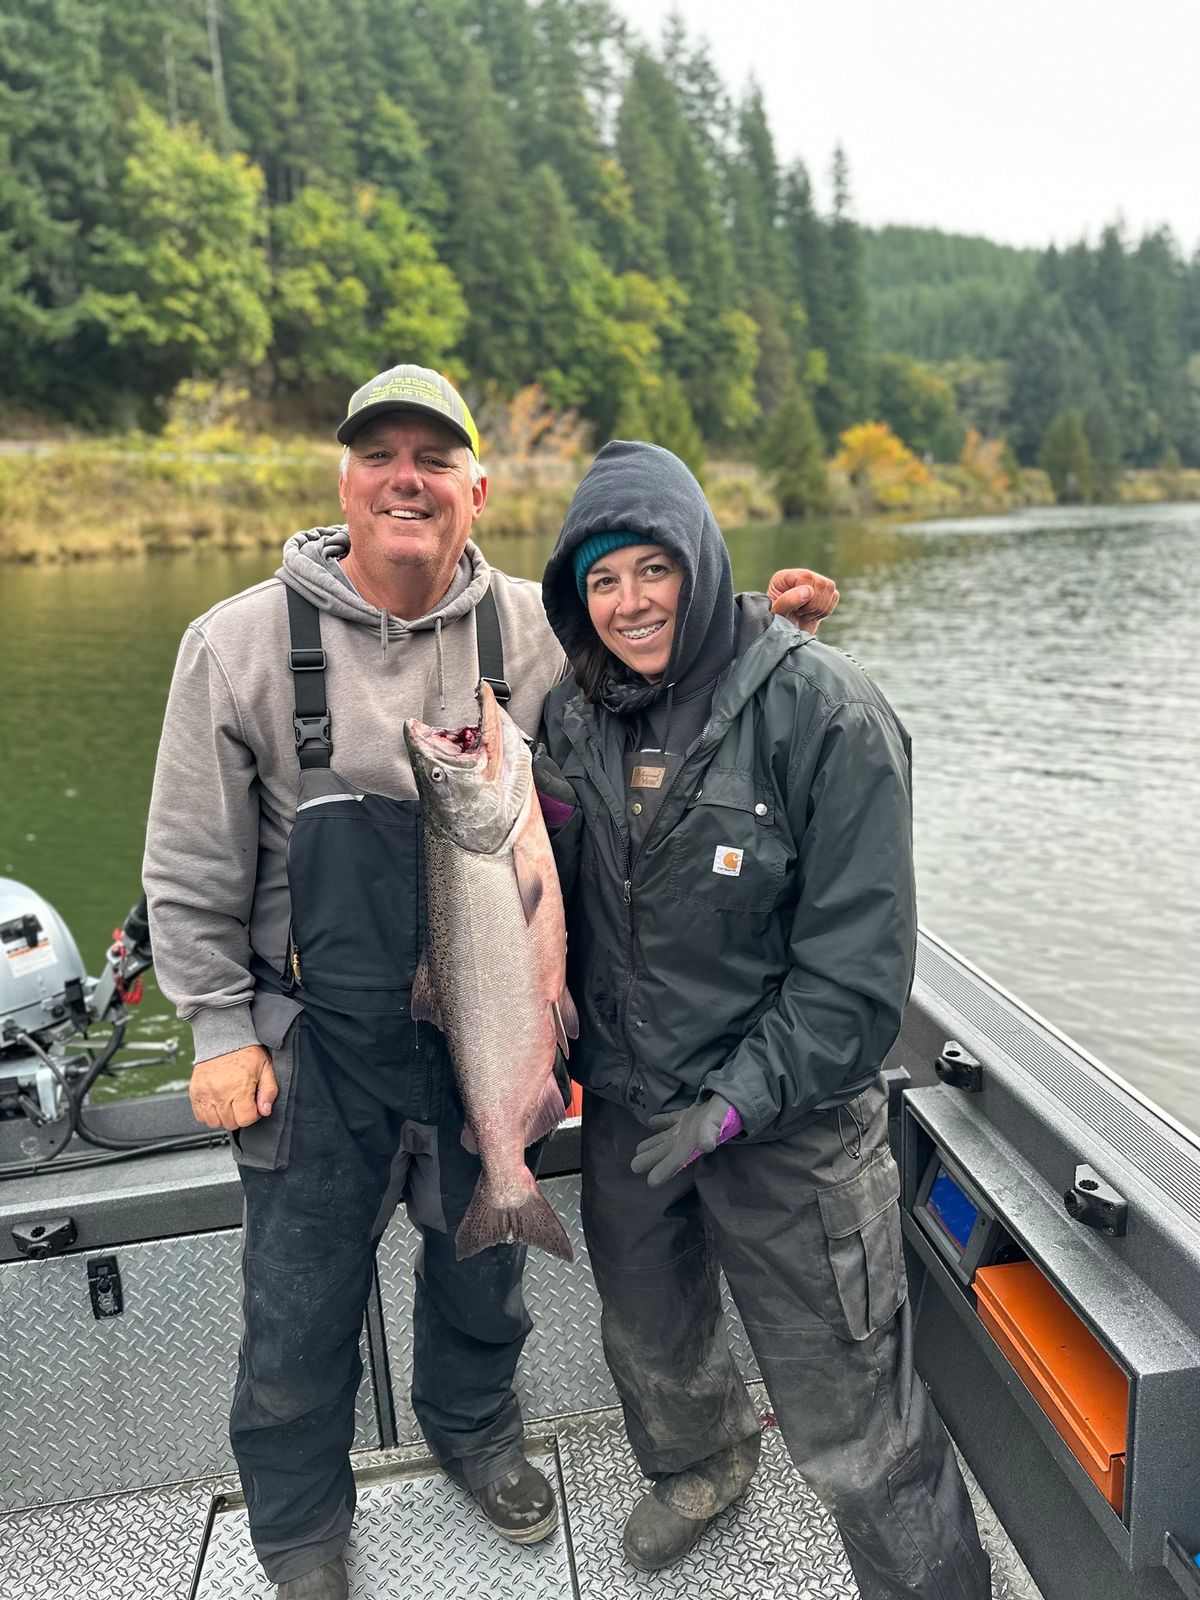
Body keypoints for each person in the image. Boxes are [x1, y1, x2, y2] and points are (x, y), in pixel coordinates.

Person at [142, 364, 837, 1600]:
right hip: (314, 1042)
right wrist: (214, 1028)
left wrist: (760, 637)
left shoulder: (540, 623)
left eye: (433, 456)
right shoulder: (233, 645)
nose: (405, 477)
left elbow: (661, 686)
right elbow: (191, 860)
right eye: (378, 455)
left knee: (485, 1275)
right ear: (345, 482)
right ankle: (300, 1526)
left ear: (477, 485)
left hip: (493, 1019)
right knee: (297, 1313)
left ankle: (477, 1438)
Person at [539, 440, 992, 1599]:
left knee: (855, 1425)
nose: (630, 602)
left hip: (790, 1130)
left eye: (653, 568)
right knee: (649, 1334)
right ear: (574, 597)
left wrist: (734, 1103)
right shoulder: (566, 710)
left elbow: (857, 977)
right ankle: (701, 1469)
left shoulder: (828, 711)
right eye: (602, 580)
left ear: (701, 558)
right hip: (633, 1113)